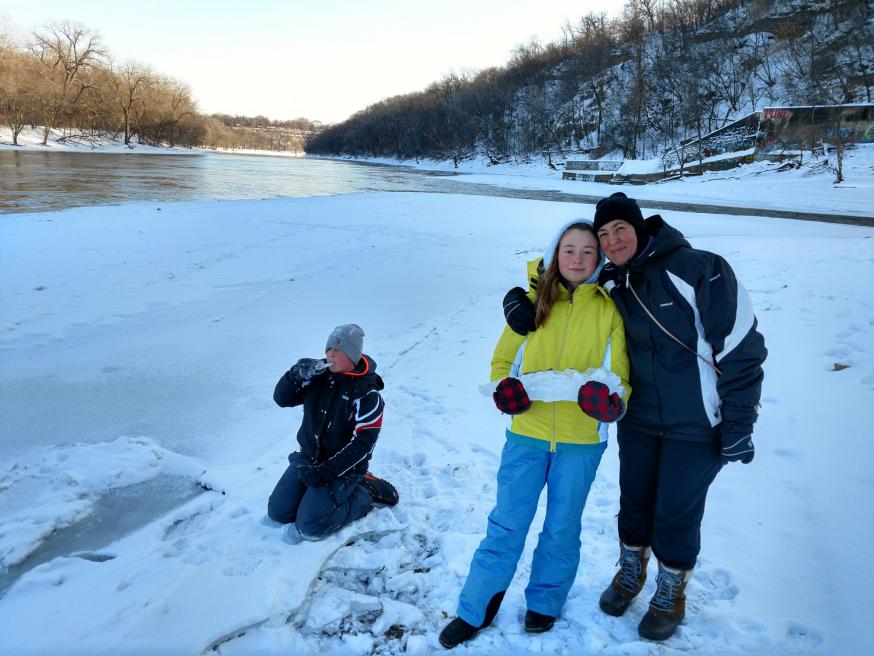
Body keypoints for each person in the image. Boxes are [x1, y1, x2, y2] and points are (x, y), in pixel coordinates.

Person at [503, 193, 767, 641]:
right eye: (603, 234)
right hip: (638, 419)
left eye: (619, 229)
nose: (611, 240)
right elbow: (557, 279)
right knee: (635, 502)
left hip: (697, 423)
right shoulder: (612, 280)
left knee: (676, 511)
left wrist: (740, 423)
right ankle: (631, 571)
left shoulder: (700, 268)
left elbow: (743, 349)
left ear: (641, 227)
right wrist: (515, 300)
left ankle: (671, 590)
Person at [439, 220, 631, 649]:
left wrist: (612, 398)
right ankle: (475, 609)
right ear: (554, 254)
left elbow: (619, 372)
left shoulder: (609, 309)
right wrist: (504, 389)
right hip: (527, 433)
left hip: (582, 441)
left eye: (586, 251)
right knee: (506, 523)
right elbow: (503, 359)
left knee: (562, 526)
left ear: (599, 259)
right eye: (569, 250)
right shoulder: (530, 304)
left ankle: (545, 602)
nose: (578, 259)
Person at [267, 323, 399, 541]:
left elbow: (363, 445)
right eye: (329, 349)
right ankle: (314, 494)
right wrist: (294, 376)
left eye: (338, 350)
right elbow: (282, 399)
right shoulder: (317, 377)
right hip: (308, 458)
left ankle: (365, 492)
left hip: (342, 468)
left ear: (352, 356)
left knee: (311, 527)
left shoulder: (367, 394)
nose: (331, 354)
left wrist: (325, 472)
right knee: (279, 513)